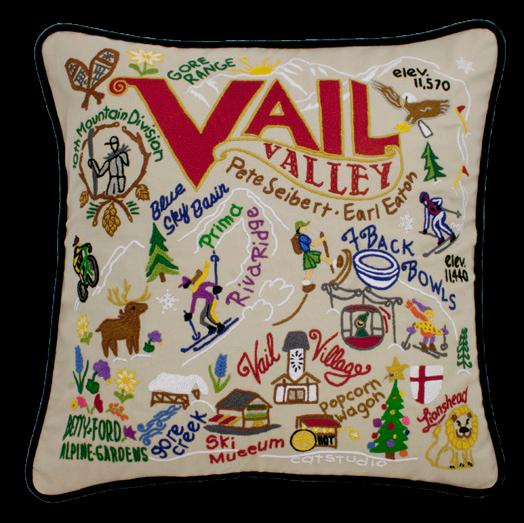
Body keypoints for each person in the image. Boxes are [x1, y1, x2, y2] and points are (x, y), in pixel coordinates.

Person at [180, 260, 225, 335]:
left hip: (211, 300)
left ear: (191, 283)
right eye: (187, 287)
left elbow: (207, 283)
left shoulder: (198, 285)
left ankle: (220, 326)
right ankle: (211, 328)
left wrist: (215, 286)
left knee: (209, 314)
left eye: (189, 285)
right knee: (201, 319)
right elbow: (193, 304)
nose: (189, 287)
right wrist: (191, 313)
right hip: (207, 302)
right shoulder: (194, 294)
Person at [294, 221, 338, 293]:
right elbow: (313, 244)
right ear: (300, 229)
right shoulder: (303, 237)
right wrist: (322, 239)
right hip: (308, 254)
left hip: (307, 254)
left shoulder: (301, 237)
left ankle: (306, 284)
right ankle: (332, 262)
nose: (306, 228)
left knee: (310, 269)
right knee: (319, 257)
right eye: (304, 227)